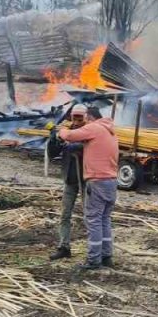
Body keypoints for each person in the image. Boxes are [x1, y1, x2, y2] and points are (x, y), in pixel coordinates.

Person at [56, 105, 118, 271]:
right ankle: (106, 257)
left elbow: (69, 135)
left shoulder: (94, 127)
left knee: (93, 221)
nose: (81, 122)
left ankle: (93, 260)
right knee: (104, 219)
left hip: (97, 181)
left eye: (83, 119)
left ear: (89, 117)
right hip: (111, 181)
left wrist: (60, 130)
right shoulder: (109, 130)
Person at [49, 105, 88, 261]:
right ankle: (64, 247)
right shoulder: (66, 132)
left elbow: (85, 145)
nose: (77, 121)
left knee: (89, 216)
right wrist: (53, 138)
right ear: (71, 117)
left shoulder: (90, 131)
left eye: (80, 118)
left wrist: (73, 145)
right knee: (65, 215)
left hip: (86, 180)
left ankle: (92, 250)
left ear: (86, 117)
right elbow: (53, 153)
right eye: (75, 118)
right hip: (70, 180)